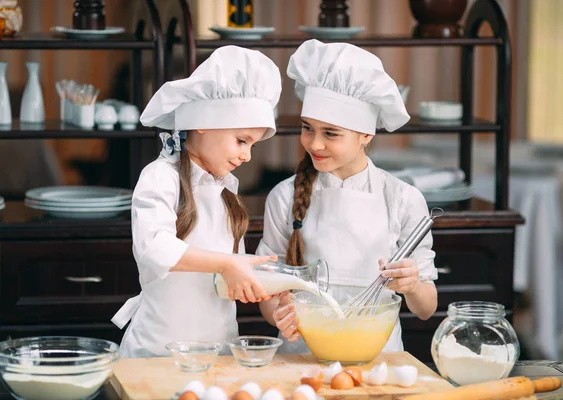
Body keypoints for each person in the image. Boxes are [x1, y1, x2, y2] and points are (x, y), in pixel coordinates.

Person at [256, 39, 438, 353]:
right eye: (307, 128)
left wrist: (412, 285)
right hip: (302, 361)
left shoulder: (403, 199)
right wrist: (279, 316)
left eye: (331, 133)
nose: (314, 144)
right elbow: (268, 291)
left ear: (366, 134)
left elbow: (426, 308)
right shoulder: (284, 197)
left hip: (378, 361)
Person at [111, 46, 282, 358]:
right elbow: (154, 249)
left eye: (252, 145)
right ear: (203, 121)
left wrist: (269, 291)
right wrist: (227, 263)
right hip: (157, 355)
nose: (247, 155)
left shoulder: (227, 194)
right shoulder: (161, 177)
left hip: (218, 357)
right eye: (242, 140)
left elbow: (229, 277)